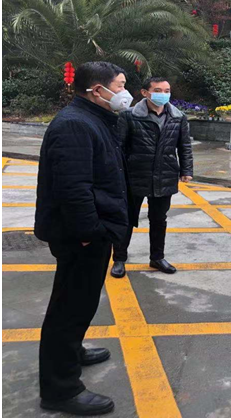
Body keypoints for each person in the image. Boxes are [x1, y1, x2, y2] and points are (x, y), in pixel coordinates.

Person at [35, 62, 133, 416]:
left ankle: (72, 350)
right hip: (82, 236)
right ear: (97, 90)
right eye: (119, 86)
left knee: (80, 303)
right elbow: (73, 189)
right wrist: (89, 233)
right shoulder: (75, 124)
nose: (125, 93)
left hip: (90, 231)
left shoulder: (94, 119)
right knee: (69, 309)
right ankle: (60, 390)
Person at [111, 77, 194, 278]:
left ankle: (157, 257)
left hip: (165, 174)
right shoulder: (129, 116)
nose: (163, 94)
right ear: (145, 92)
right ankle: (119, 259)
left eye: (167, 91)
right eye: (158, 90)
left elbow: (184, 145)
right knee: (126, 218)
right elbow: (118, 147)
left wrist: (186, 170)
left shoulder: (178, 116)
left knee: (159, 219)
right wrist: (117, 174)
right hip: (134, 175)